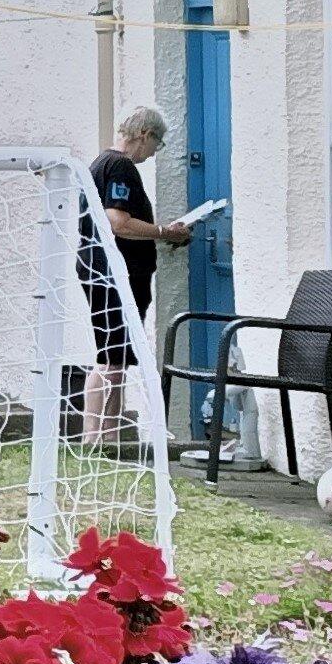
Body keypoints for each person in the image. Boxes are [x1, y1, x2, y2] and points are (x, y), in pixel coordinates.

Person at [77, 105, 191, 444]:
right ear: (145, 135)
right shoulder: (121, 167)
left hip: (98, 267)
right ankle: (101, 438)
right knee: (114, 357)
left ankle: (99, 438)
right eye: (158, 143)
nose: (156, 151)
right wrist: (165, 232)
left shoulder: (100, 162)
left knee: (111, 355)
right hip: (116, 274)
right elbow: (119, 223)